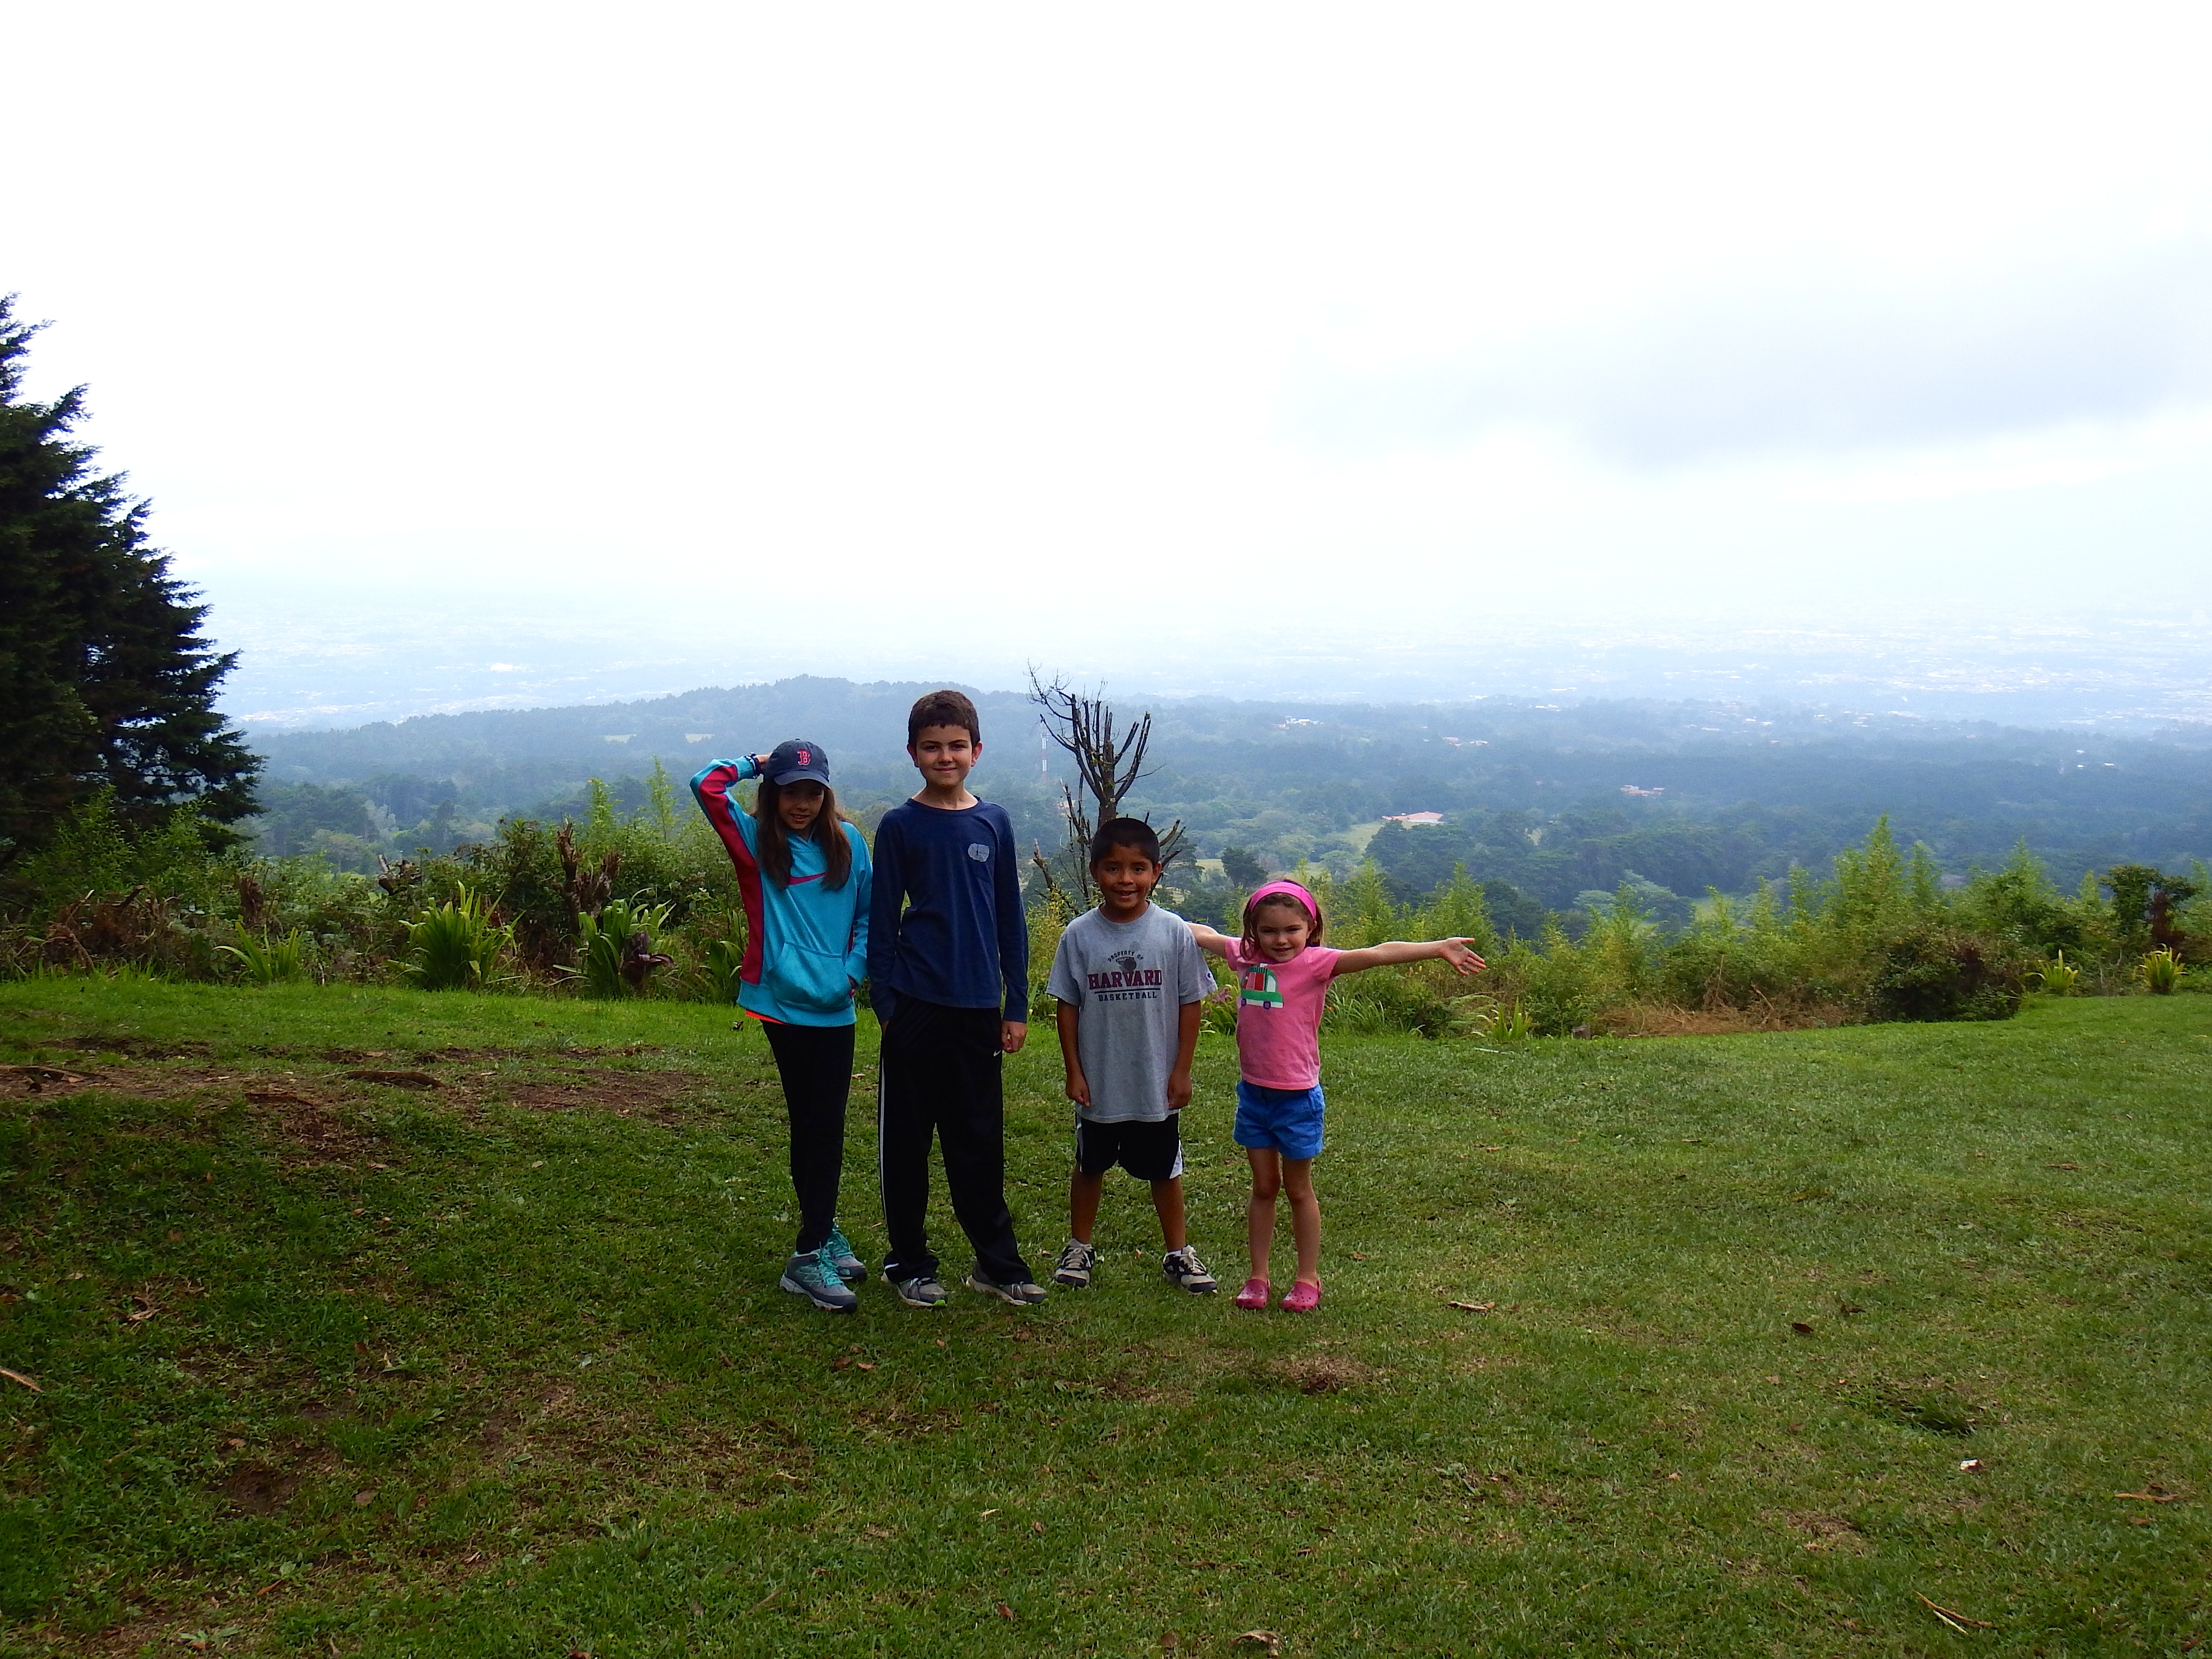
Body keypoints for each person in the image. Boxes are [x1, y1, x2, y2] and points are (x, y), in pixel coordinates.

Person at [1188, 880, 1485, 1312]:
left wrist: (1437, 946)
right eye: (1269, 931)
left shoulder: (1317, 964)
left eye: (1292, 929)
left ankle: (1307, 1278)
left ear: (1311, 928)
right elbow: (1200, 933)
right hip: (1254, 1095)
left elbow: (1381, 952)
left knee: (1298, 1189)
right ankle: (1258, 1277)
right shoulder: (1244, 956)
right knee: (1264, 1187)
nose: (1281, 940)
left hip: (1298, 1099)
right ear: (1253, 931)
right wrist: (1150, 914)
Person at [866, 689, 1044, 1307]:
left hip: (978, 1009)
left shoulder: (991, 822)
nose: (946, 756)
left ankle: (997, 1264)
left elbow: (1009, 921)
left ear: (976, 750)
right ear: (913, 753)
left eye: (957, 746)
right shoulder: (899, 826)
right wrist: (886, 1007)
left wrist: (1016, 1004)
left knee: (978, 1140)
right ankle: (908, 1261)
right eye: (933, 746)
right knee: (907, 1144)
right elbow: (882, 920)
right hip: (915, 1004)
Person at [692, 740, 873, 1315]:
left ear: (826, 793)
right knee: (814, 1123)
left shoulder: (851, 846)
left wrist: (852, 974)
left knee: (827, 1125)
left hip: (835, 1005)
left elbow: (871, 917)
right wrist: (757, 764)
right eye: (791, 791)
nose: (802, 803)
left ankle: (823, 1228)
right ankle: (809, 1253)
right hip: (781, 1004)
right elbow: (706, 786)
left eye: (812, 792)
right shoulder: (755, 842)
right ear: (774, 794)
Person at [1045, 818, 1217, 1294]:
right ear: (1096, 870)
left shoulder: (1174, 932)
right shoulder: (1079, 936)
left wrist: (1182, 1070)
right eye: (1114, 868)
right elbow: (1067, 1006)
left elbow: (1190, 1003)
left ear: (1157, 872)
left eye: (1138, 868)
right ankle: (1079, 1247)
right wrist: (1074, 1071)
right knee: (1090, 1165)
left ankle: (1178, 1253)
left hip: (1155, 1081)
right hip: (1099, 1079)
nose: (1126, 880)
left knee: (1165, 1169)